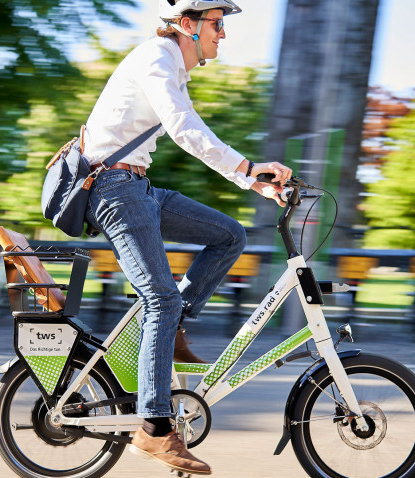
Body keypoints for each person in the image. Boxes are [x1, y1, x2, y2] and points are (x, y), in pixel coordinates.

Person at [80, 0, 292, 474]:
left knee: (228, 235)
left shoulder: (174, 68)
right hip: (113, 188)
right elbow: (183, 128)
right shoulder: (155, 60)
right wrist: (247, 167)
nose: (224, 34)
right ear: (188, 25)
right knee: (160, 298)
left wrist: (253, 182)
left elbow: (191, 131)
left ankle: (171, 329)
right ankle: (153, 429)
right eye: (217, 25)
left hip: (138, 187)